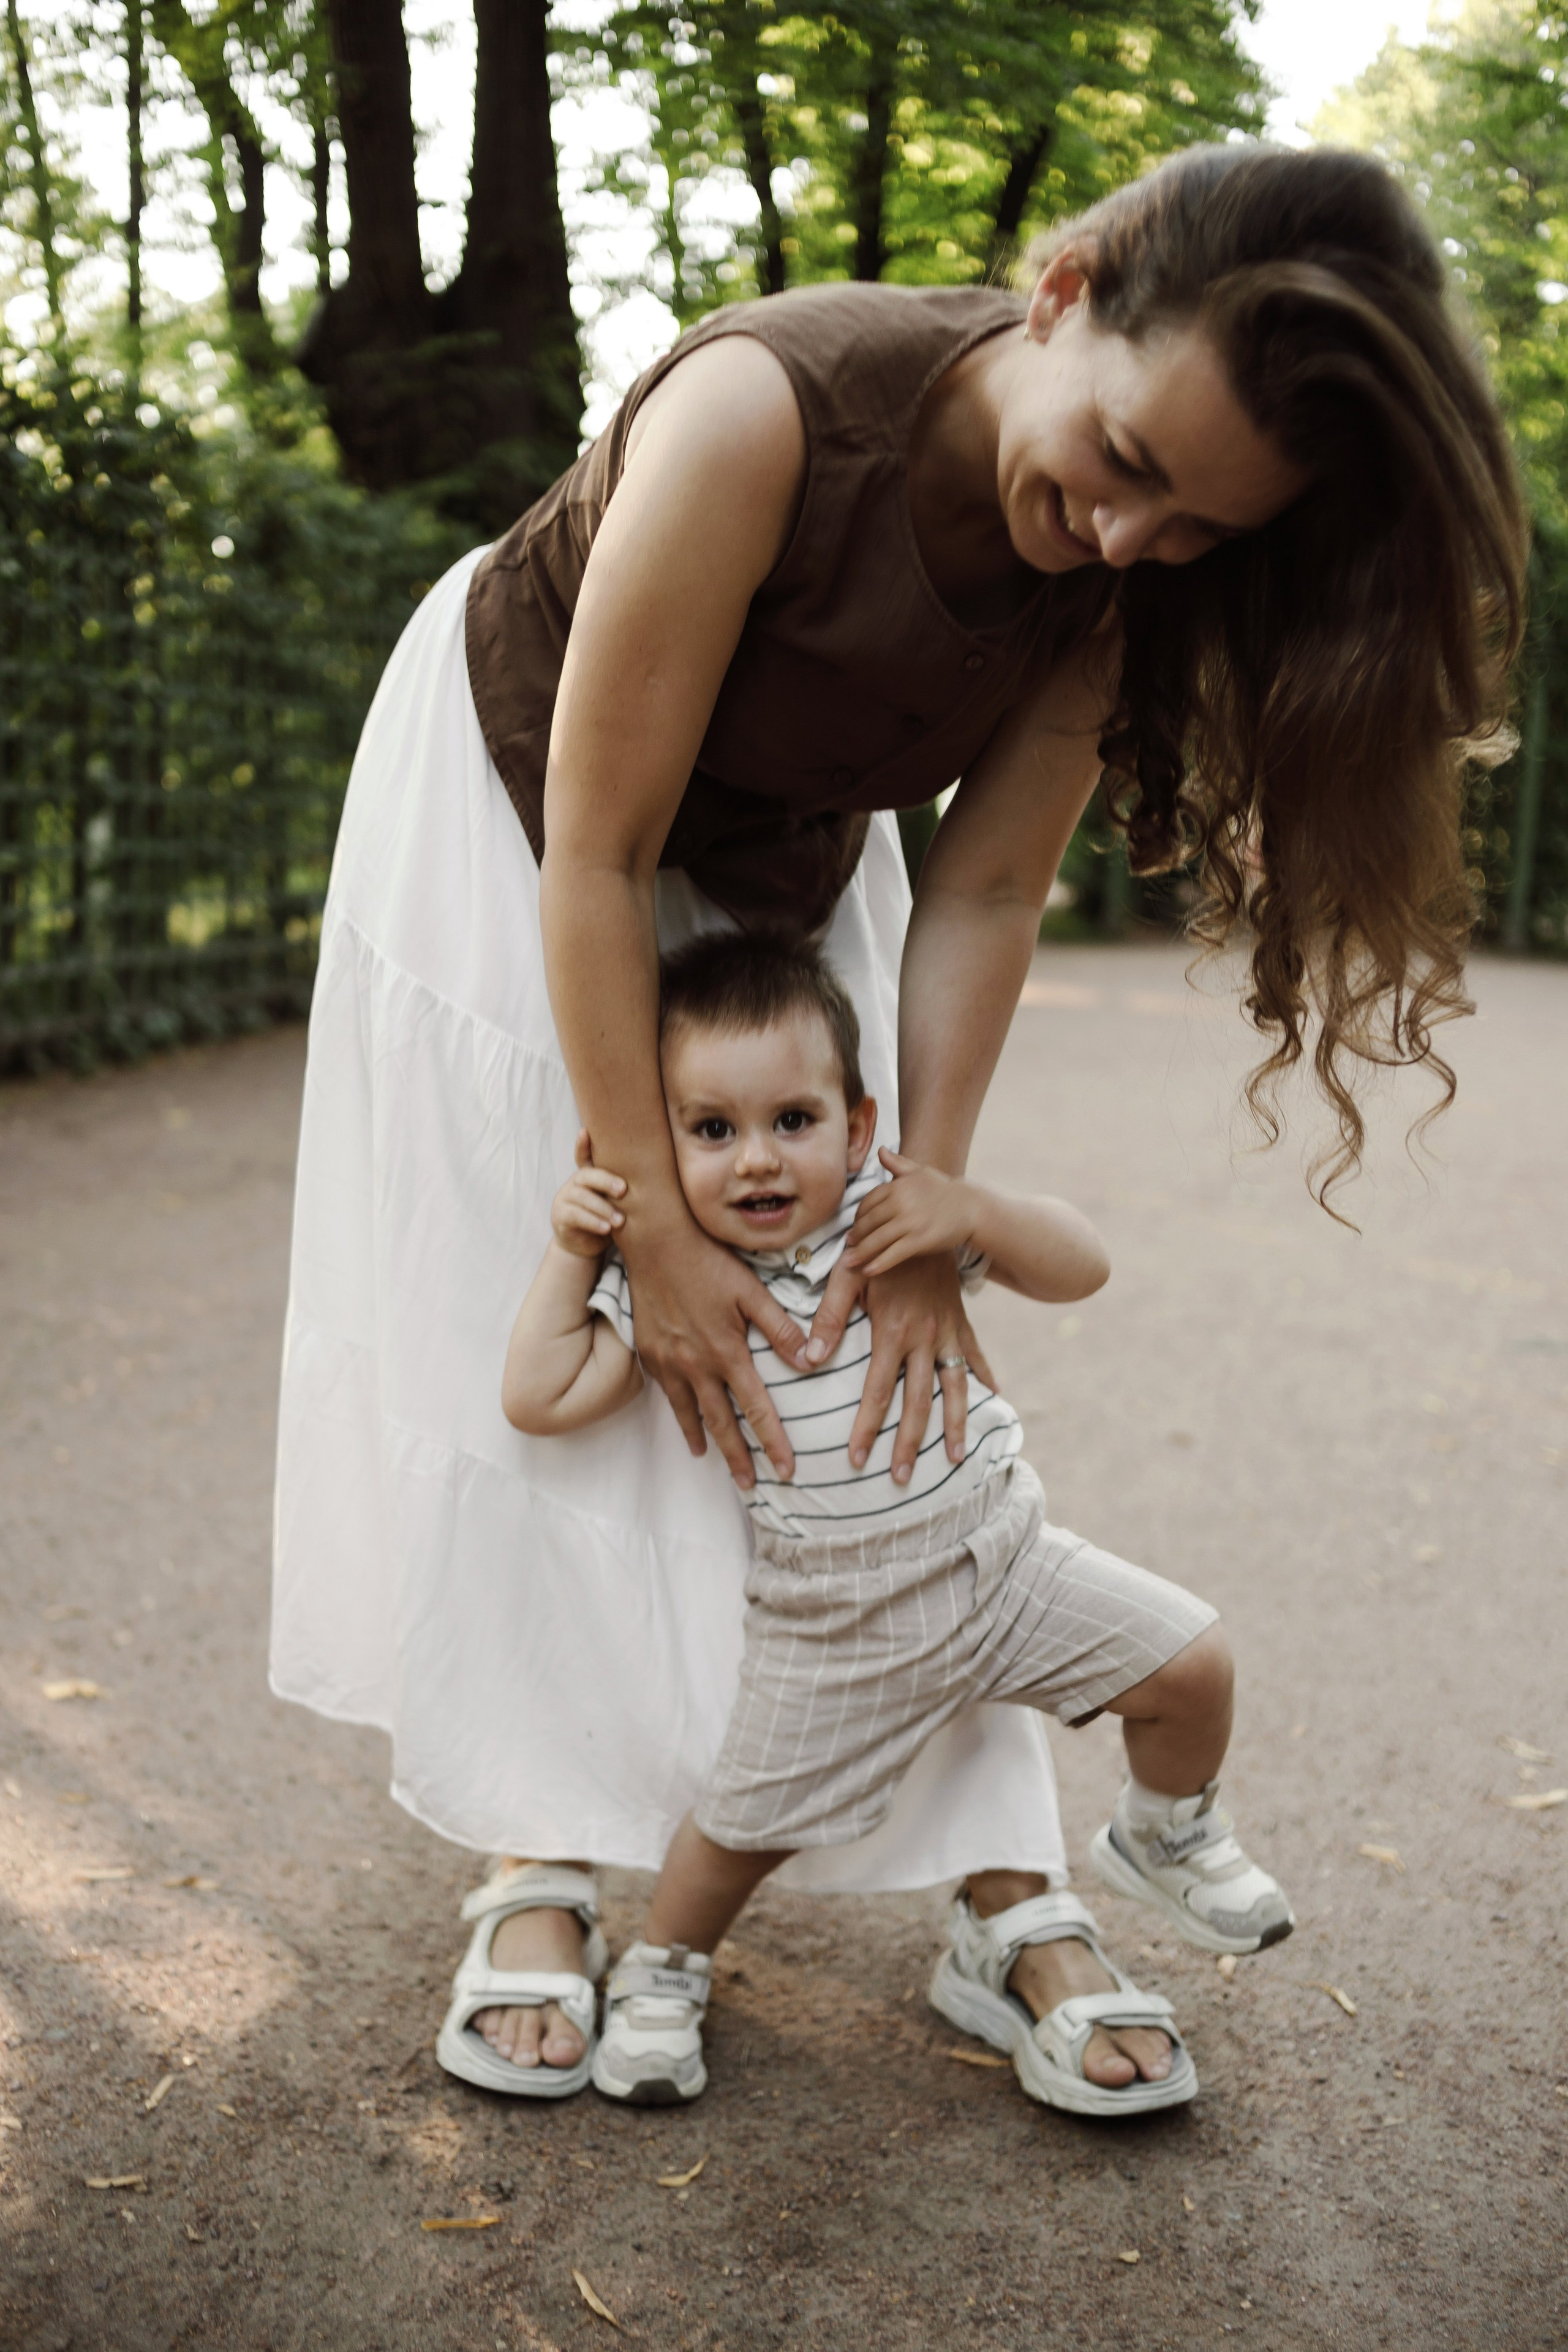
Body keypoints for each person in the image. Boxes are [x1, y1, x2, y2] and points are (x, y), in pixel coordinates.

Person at [271, 141, 1523, 2110]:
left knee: (880, 1371)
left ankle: (1000, 1877)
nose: (1129, 538)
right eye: (1126, 462)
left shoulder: (1121, 582)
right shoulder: (759, 414)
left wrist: (919, 1202)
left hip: (787, 843)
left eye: (1198, 527)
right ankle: (538, 1847)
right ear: (1065, 289)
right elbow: (598, 849)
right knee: (587, 1285)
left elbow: (990, 890)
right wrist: (660, 1224)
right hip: (525, 810)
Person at [489, 933, 1292, 2114]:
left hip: (1005, 1567)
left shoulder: (891, 1219)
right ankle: (664, 1967)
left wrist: (972, 1208)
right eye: (710, 1130)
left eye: (793, 1121)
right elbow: (540, 1396)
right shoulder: (676, 1284)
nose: (757, 1158)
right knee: (739, 1830)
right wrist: (577, 1251)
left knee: (1197, 1664)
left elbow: (1084, 1267)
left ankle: (1164, 1831)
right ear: (657, 1147)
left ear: (858, 1126)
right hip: (834, 1626)